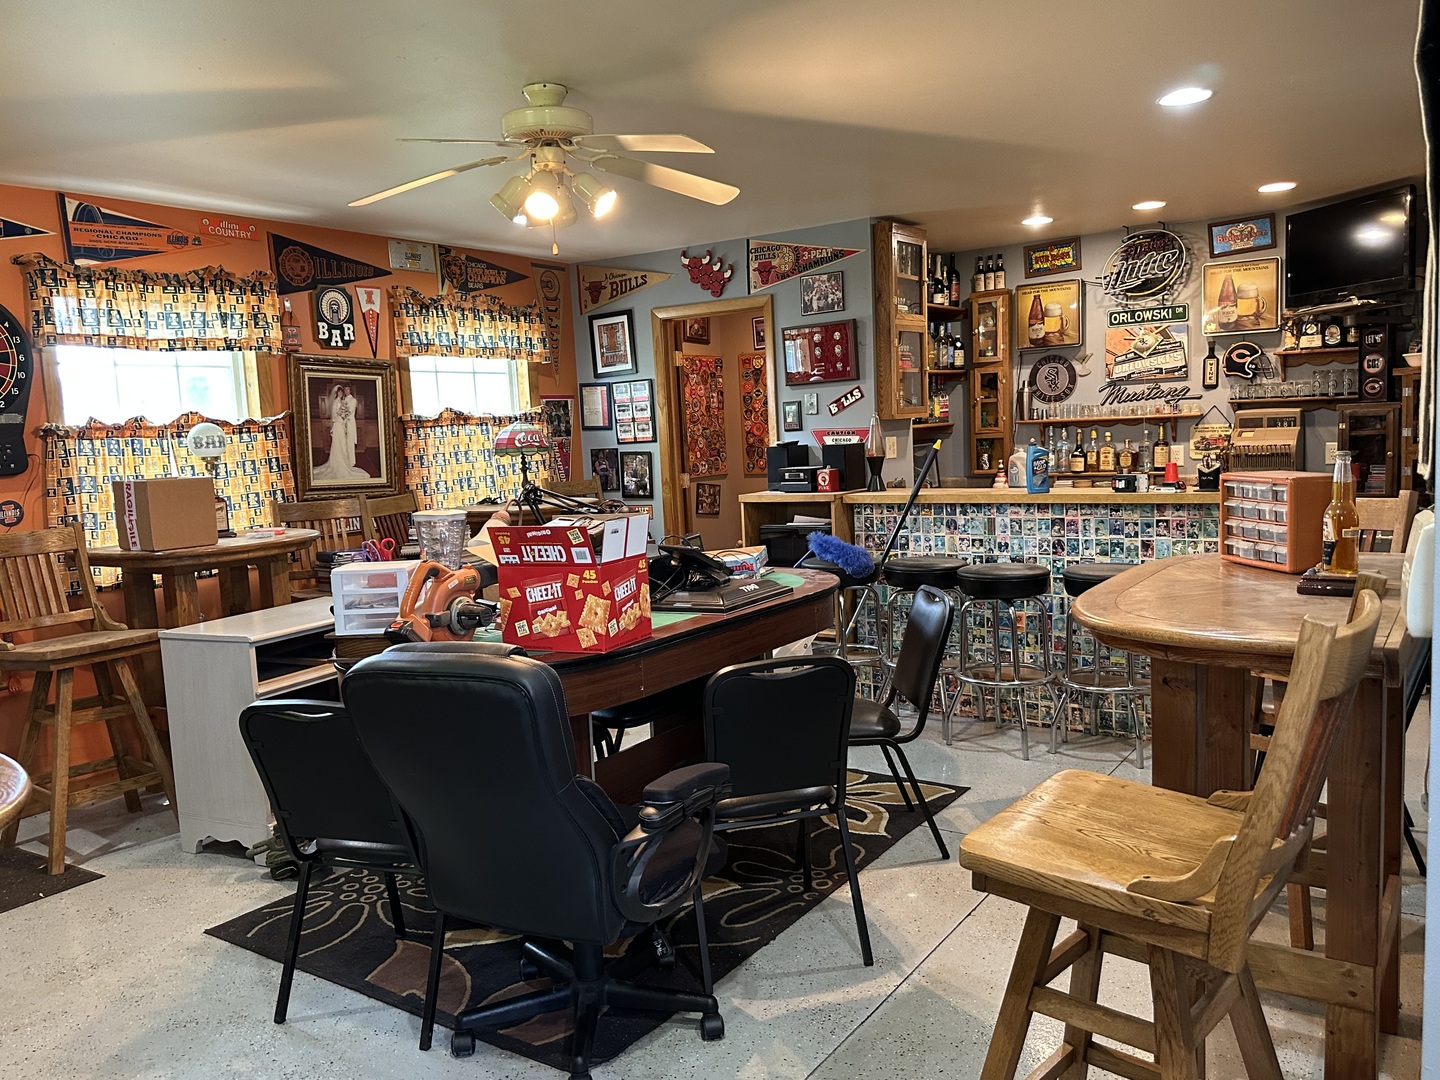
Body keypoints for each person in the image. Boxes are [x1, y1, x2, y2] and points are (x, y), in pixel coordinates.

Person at [312, 383, 371, 481]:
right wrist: (340, 418)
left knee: (347, 444)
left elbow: (349, 411)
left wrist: (342, 416)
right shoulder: (338, 401)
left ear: (350, 391)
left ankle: (349, 463)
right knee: (341, 445)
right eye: (344, 390)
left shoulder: (351, 400)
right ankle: (342, 463)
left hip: (347, 425)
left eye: (346, 390)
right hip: (340, 425)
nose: (344, 392)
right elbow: (335, 414)